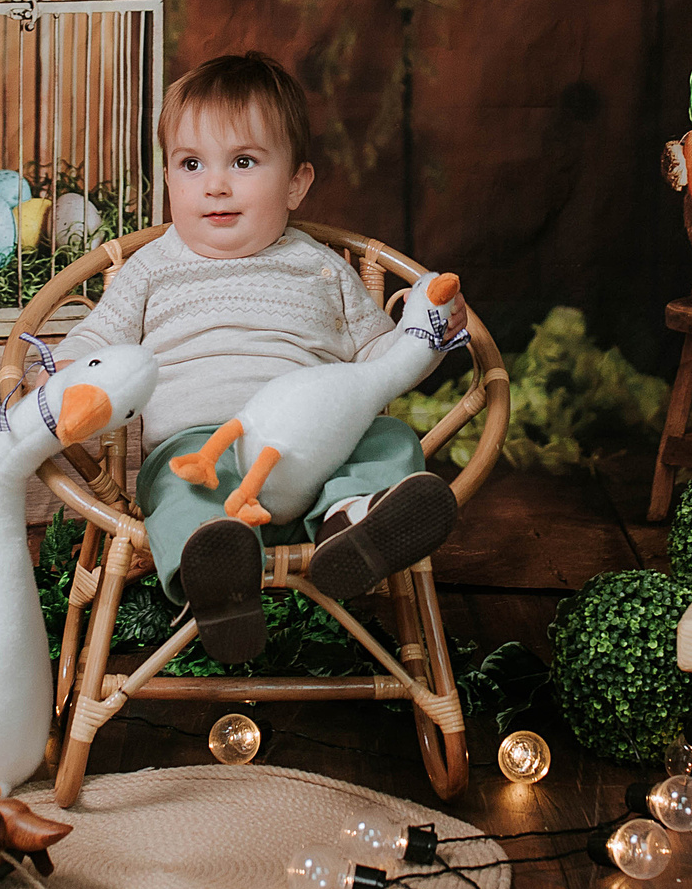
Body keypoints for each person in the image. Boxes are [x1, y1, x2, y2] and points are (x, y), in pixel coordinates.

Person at [54, 52, 464, 664]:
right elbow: (94, 342)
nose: (215, 185)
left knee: (389, 439)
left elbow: (382, 358)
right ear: (167, 178)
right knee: (173, 489)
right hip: (201, 452)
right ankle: (217, 574)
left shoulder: (322, 267)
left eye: (243, 162)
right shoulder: (151, 269)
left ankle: (351, 523)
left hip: (324, 449)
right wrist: (56, 377)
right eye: (191, 164)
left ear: (296, 183)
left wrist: (428, 330)